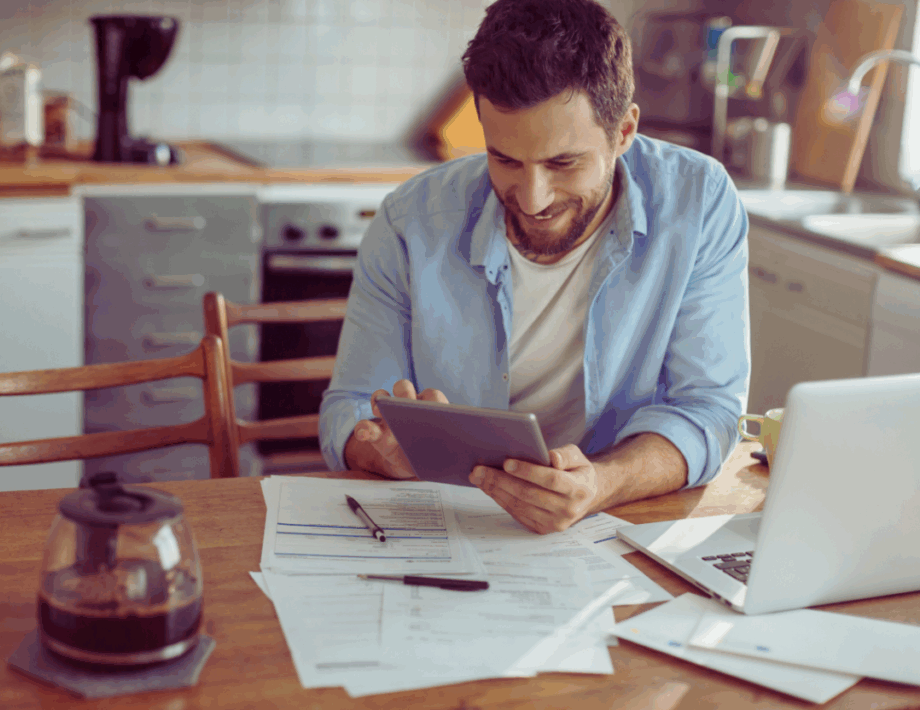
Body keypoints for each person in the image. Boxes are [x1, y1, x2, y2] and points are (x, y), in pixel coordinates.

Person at [319, 0, 750, 534]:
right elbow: (348, 409)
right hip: (454, 524)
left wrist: (600, 484)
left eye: (562, 163)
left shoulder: (698, 201)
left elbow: (709, 408)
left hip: (620, 523)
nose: (532, 197)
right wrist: (381, 450)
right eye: (504, 159)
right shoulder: (412, 221)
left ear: (623, 132)